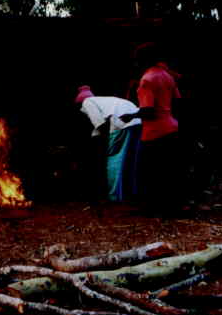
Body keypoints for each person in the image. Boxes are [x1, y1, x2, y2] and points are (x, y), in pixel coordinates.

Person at [119, 42, 183, 213]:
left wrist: (131, 116)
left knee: (147, 172)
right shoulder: (167, 75)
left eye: (137, 59)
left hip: (154, 132)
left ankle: (150, 207)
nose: (135, 62)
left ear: (144, 60)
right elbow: (177, 101)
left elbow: (148, 111)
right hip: (171, 128)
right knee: (167, 170)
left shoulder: (146, 80)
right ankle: (170, 206)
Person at [75, 85, 142, 202]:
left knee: (114, 158)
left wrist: (102, 143)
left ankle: (114, 197)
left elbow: (99, 123)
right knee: (130, 160)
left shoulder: (87, 102)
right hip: (138, 122)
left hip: (121, 122)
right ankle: (131, 194)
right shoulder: (106, 101)